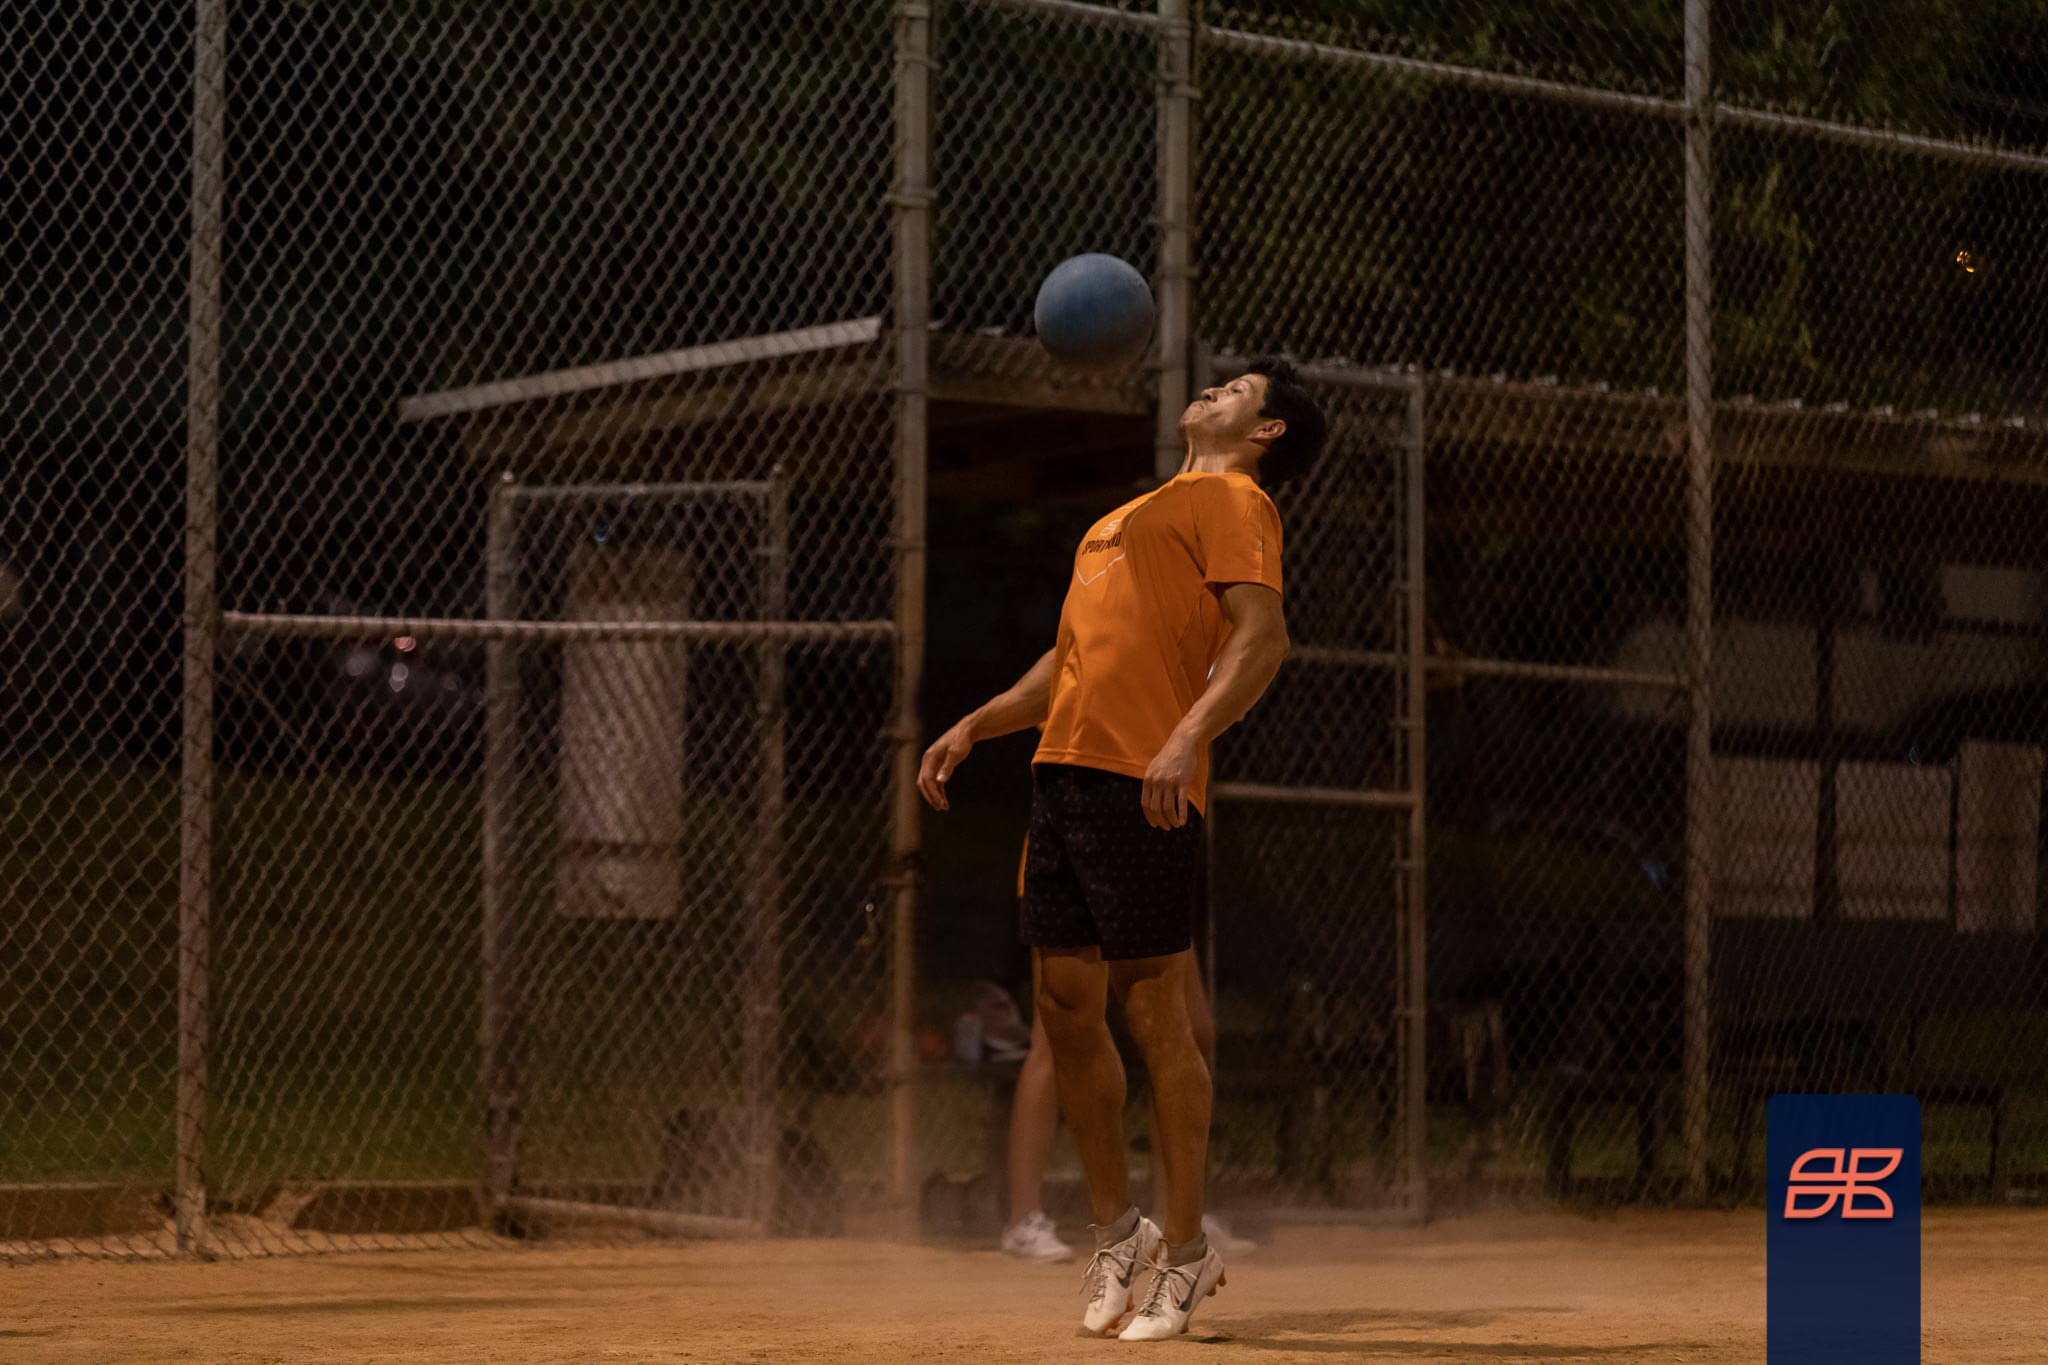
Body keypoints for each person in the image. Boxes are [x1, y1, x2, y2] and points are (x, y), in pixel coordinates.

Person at [920, 358, 1326, 1340]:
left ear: (1265, 432)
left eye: (1239, 391)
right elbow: (1068, 662)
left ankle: (1184, 1252)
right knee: (1066, 1013)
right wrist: (977, 722)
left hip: (1140, 781)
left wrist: (1185, 737)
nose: (1215, 389)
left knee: (1154, 1017)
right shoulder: (1122, 518)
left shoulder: (1237, 501)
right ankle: (1115, 1233)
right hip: (1060, 776)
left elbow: (1262, 639)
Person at [996, 840, 1257, 1265]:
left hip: (1144, 858)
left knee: (1193, 1028)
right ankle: (1024, 1220)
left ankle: (1176, 1213)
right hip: (1079, 851)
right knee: (1058, 1035)